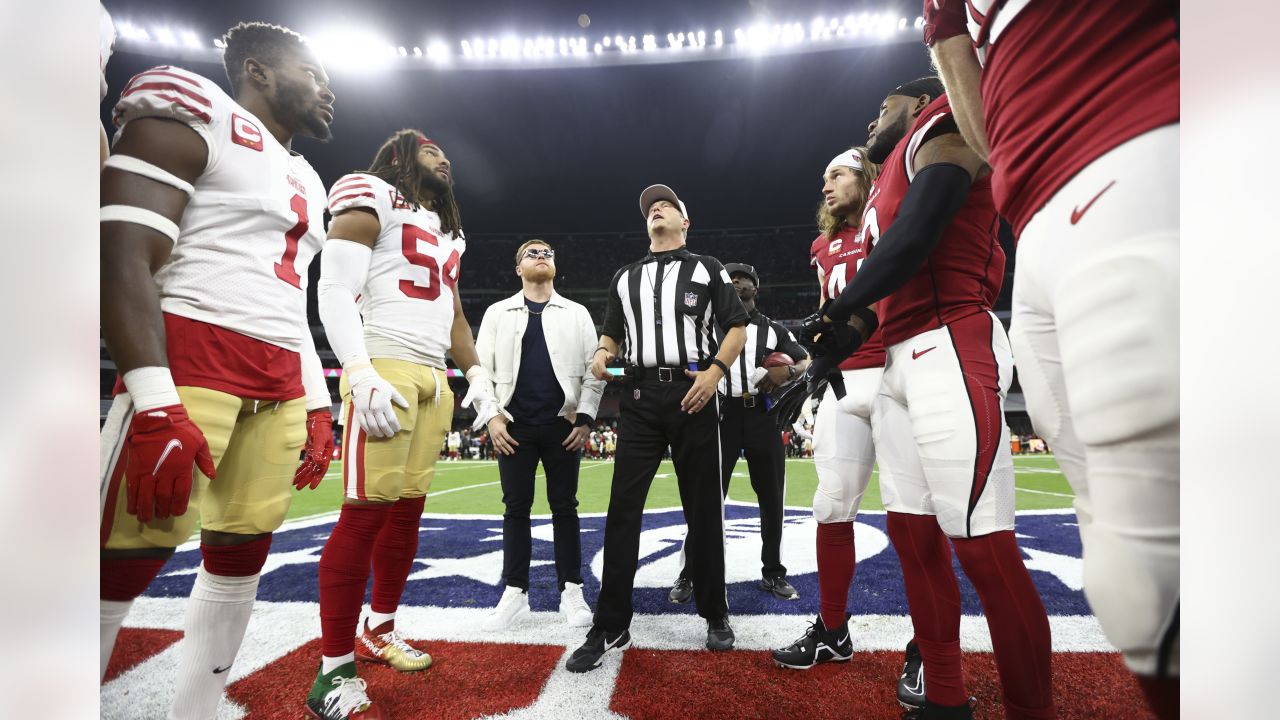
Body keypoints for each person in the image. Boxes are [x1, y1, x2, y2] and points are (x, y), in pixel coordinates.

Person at [923, 5, 1179, 714]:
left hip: (1136, 141)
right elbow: (984, 113)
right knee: (1123, 567)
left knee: (1170, 558)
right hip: (1036, 216)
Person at [99, 21, 336, 719]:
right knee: (118, 560)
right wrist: (152, 398)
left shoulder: (306, 175)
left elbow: (291, 300)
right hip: (191, 364)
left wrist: (318, 402)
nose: (328, 91)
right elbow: (122, 250)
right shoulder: (197, 107)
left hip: (280, 384)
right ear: (258, 71)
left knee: (240, 558)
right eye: (312, 72)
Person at [802, 77, 1055, 719]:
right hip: (897, 358)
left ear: (916, 102)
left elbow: (920, 233)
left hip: (951, 341)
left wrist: (843, 306)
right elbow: (890, 283)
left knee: (983, 546)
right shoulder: (885, 182)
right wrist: (835, 342)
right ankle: (945, 693)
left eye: (880, 104)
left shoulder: (942, 124)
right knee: (913, 537)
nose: (870, 119)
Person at [311, 128, 494, 717]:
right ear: (399, 156)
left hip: (434, 374)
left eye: (447, 149)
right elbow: (336, 284)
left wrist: (480, 380)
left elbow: (457, 315)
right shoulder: (370, 191)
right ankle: (332, 671)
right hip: (384, 362)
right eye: (430, 148)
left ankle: (380, 627)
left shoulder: (451, 231)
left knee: (407, 511)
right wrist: (357, 370)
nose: (444, 155)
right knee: (363, 514)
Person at [565, 184, 749, 672]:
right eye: (649, 208)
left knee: (704, 508)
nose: (655, 210)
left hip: (693, 393)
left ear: (686, 222)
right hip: (640, 397)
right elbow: (611, 333)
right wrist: (604, 354)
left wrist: (714, 374)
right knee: (623, 509)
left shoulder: (707, 267)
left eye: (665, 205)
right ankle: (610, 623)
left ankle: (715, 611)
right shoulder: (623, 277)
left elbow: (737, 325)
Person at [770, 147, 920, 701]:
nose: (826, 186)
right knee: (831, 507)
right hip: (842, 382)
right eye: (823, 178)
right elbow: (831, 318)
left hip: (895, 370)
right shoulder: (820, 246)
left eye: (836, 174)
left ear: (866, 177)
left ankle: (928, 643)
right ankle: (833, 630)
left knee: (912, 516)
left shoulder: (892, 217)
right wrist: (807, 368)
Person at [472, 239, 605, 631]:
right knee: (516, 508)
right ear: (518, 269)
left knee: (565, 507)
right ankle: (515, 592)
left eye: (547, 252)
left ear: (555, 266)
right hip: (513, 426)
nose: (541, 255)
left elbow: (591, 372)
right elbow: (481, 372)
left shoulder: (576, 313)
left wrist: (585, 418)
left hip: (562, 425)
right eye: (532, 252)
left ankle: (572, 590)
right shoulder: (498, 313)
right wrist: (493, 418)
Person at [668, 262, 809, 605]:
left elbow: (805, 361)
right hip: (720, 414)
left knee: (772, 498)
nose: (736, 283)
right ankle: (690, 572)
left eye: (743, 279)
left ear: (755, 288)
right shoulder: (707, 328)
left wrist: (787, 371)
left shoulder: (773, 329)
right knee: (706, 499)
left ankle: (773, 571)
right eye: (730, 280)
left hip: (763, 414)